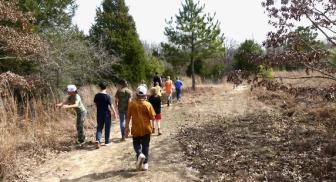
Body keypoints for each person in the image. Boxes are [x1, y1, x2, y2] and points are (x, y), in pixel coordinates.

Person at [125, 85, 156, 171]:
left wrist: (126, 128)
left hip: (136, 129)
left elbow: (128, 117)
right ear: (145, 95)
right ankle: (145, 164)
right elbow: (153, 117)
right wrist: (153, 128)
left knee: (136, 144)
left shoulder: (131, 104)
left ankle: (139, 154)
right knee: (146, 146)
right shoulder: (148, 104)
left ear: (136, 94)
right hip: (147, 128)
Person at [94, 82, 117, 149]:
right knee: (107, 127)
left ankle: (98, 140)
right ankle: (107, 141)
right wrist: (115, 113)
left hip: (99, 113)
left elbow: (96, 103)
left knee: (99, 127)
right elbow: (111, 105)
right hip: (107, 113)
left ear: (99, 87)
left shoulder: (97, 95)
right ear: (106, 87)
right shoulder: (107, 96)